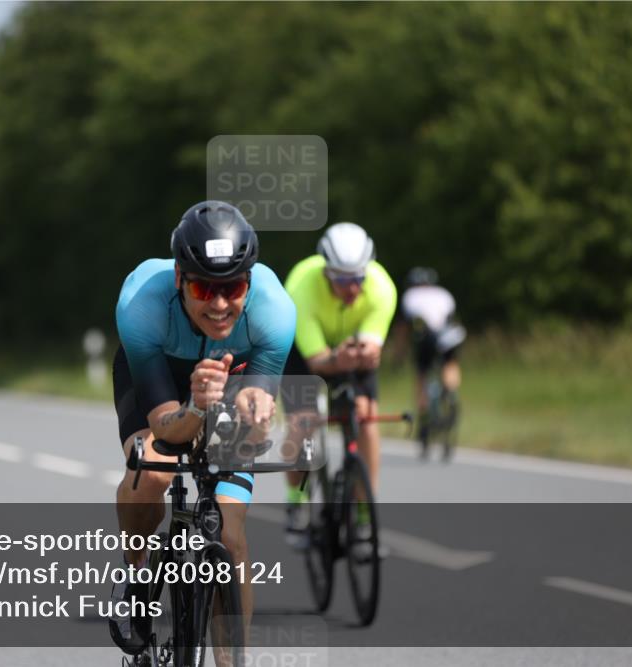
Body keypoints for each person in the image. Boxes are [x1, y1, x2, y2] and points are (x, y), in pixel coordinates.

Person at [110, 201, 296, 655]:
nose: (218, 304)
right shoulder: (140, 305)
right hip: (161, 378)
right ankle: (137, 576)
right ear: (179, 280)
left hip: (232, 375)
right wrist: (195, 406)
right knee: (153, 471)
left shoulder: (275, 312)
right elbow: (165, 428)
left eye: (232, 288)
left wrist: (255, 404)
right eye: (201, 287)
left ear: (248, 282)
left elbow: (259, 397)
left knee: (229, 537)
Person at [280, 223, 397, 541]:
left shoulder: (382, 288)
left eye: (358, 278)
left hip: (351, 351)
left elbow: (373, 348)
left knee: (367, 419)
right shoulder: (301, 287)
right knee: (302, 422)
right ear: (326, 273)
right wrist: (336, 360)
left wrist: (367, 353)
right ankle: (297, 500)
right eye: (343, 280)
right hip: (305, 354)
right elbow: (317, 361)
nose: (353, 288)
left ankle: (363, 509)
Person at [398, 267, 465, 459]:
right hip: (450, 335)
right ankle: (451, 394)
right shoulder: (444, 294)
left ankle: (425, 412)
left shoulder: (410, 295)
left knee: (422, 375)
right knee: (450, 363)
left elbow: (403, 330)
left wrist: (399, 356)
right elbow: (451, 318)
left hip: (427, 337)